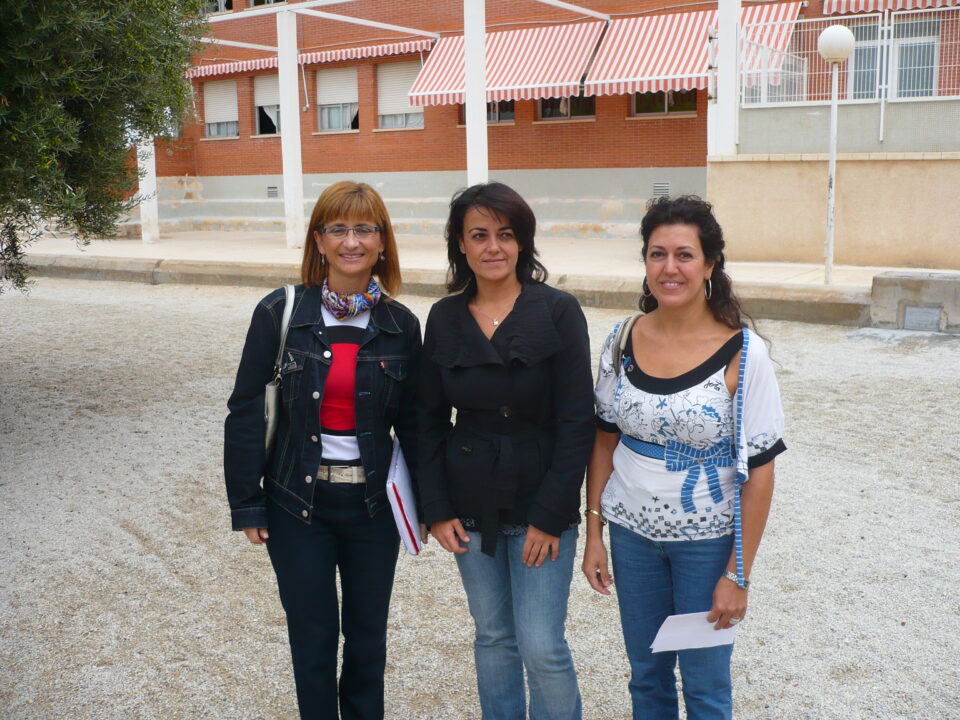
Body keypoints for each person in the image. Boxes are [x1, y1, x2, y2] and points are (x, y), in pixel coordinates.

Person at [581, 195, 786, 720]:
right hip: (632, 539)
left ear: (710, 265)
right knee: (646, 676)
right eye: (657, 254)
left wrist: (737, 574)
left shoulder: (745, 353)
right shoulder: (621, 340)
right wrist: (594, 532)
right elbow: (603, 440)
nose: (669, 268)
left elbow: (760, 472)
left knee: (705, 685)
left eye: (685, 255)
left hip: (707, 546)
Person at [223, 181, 421, 720]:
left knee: (367, 637)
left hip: (372, 508)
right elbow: (246, 409)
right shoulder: (281, 312)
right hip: (297, 504)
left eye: (364, 229)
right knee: (311, 637)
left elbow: (416, 424)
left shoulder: (401, 325)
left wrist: (431, 504)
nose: (351, 241)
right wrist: (247, 502)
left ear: (382, 241)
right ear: (319, 240)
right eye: (338, 229)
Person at [418, 182, 594, 720]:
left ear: (523, 242)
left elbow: (577, 421)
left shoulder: (558, 311)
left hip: (541, 498)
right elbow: (427, 421)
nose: (493, 247)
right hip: (469, 503)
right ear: (460, 244)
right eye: (479, 235)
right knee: (493, 636)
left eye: (506, 234)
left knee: (541, 645)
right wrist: (437, 508)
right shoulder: (444, 317)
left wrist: (549, 516)